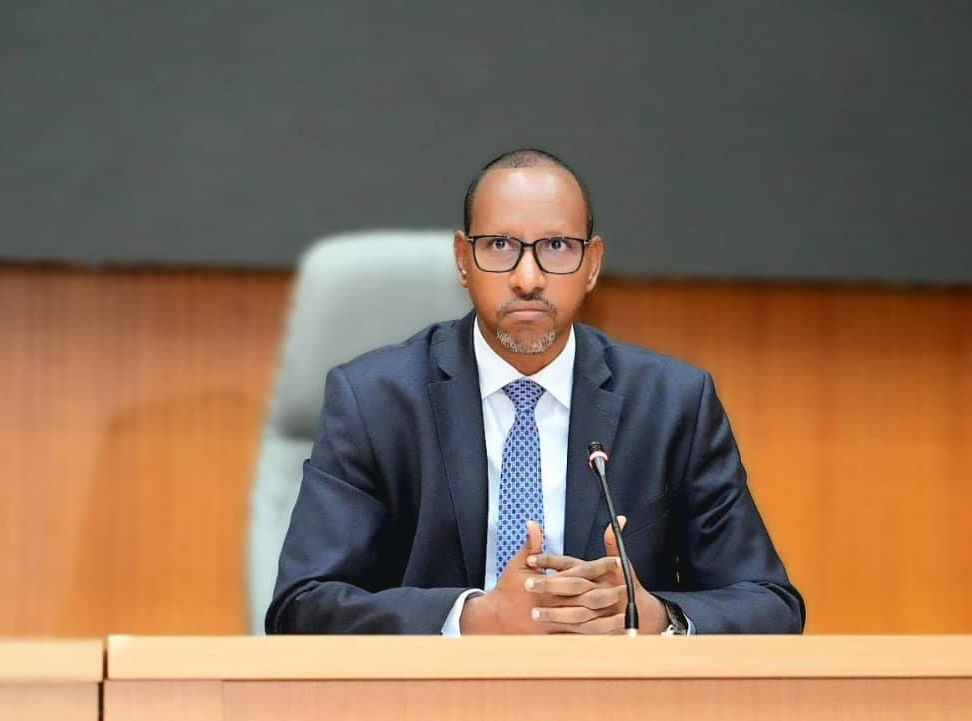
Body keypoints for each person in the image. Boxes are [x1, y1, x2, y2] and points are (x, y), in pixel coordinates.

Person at [266, 148, 804, 635]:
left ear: (592, 265)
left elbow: (771, 605)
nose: (528, 278)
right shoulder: (374, 401)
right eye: (500, 245)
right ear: (462, 260)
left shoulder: (673, 404)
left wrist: (655, 616)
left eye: (557, 246)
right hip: (435, 697)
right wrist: (474, 619)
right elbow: (302, 605)